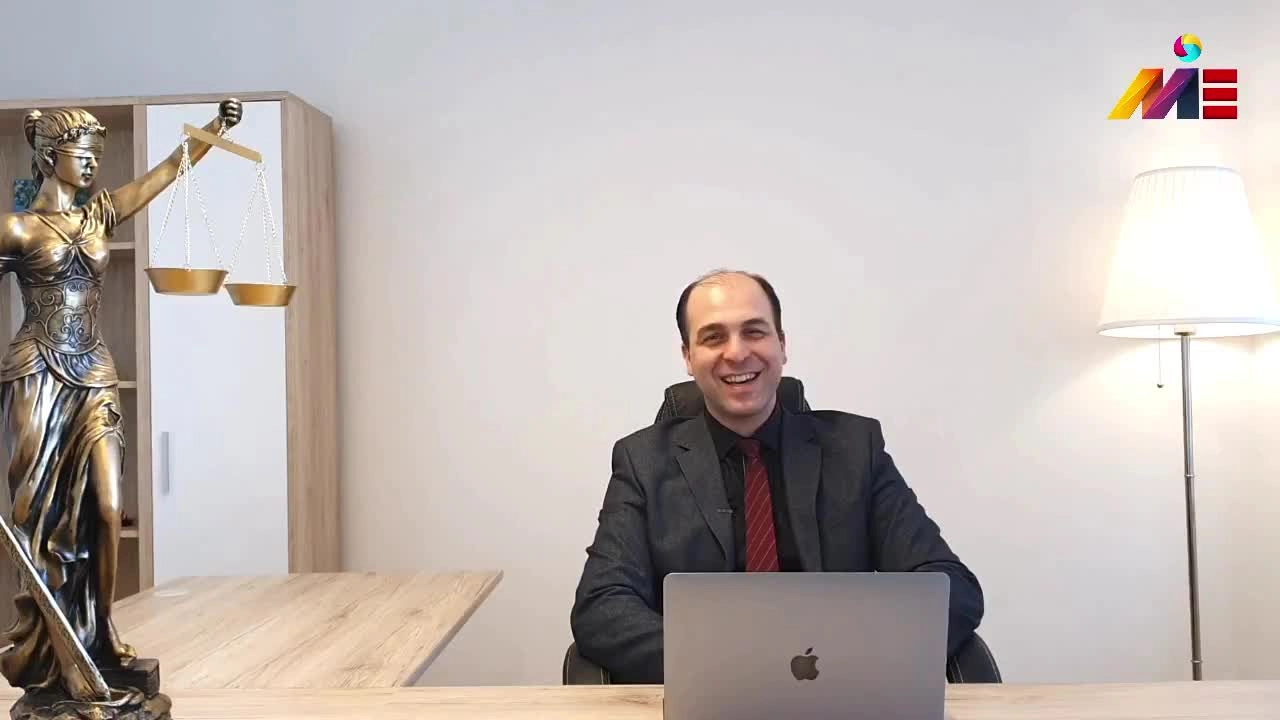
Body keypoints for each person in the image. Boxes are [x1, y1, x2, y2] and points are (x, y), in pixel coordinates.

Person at [570, 269, 983, 684]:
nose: (736, 353)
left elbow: (951, 588)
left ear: (782, 345)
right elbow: (602, 607)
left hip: (841, 691)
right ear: (688, 357)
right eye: (713, 337)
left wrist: (844, 657)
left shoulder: (857, 450)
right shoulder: (642, 462)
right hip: (711, 693)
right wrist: (736, 664)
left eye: (754, 332)